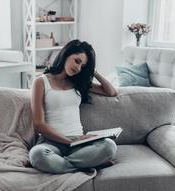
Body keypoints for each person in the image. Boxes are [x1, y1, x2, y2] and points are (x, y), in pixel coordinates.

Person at [29, 39, 118, 174]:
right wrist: (68, 141)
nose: (78, 68)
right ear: (66, 54)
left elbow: (111, 92)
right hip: (51, 142)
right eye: (77, 61)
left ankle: (61, 164)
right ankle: (87, 165)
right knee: (38, 155)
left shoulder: (78, 83)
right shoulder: (41, 81)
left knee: (109, 147)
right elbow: (38, 124)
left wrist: (93, 71)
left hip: (79, 143)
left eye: (82, 66)